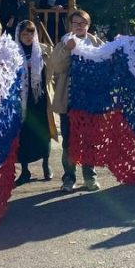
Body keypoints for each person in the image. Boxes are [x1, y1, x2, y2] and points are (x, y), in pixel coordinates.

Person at [48, 10, 105, 192]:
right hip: (70, 100)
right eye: (75, 23)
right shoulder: (65, 42)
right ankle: (69, 177)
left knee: (89, 140)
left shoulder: (96, 43)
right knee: (69, 141)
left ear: (88, 25)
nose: (79, 26)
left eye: (83, 23)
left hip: (90, 100)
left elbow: (106, 64)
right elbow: (56, 66)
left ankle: (90, 176)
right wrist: (67, 50)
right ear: (70, 25)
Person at [15, 20, 56, 185]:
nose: (27, 37)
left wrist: (47, 61)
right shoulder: (13, 52)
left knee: (43, 131)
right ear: (19, 35)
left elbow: (53, 69)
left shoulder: (43, 50)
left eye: (31, 33)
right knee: (23, 134)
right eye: (24, 33)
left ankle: (46, 165)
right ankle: (25, 170)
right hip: (22, 99)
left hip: (40, 97)